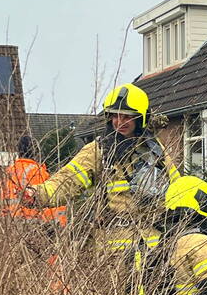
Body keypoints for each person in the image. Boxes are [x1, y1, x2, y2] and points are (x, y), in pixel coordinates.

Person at [21, 83, 179, 254]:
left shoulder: (155, 150)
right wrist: (39, 194)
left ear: (141, 118)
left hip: (155, 248)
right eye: (115, 116)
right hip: (115, 253)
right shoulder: (99, 150)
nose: (119, 122)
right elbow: (69, 180)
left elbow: (178, 186)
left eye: (127, 117)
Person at [1, 135, 67, 225]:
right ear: (35, 151)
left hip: (11, 221)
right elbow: (44, 199)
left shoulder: (8, 172)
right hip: (34, 222)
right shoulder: (38, 172)